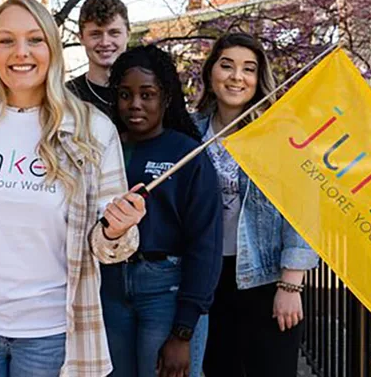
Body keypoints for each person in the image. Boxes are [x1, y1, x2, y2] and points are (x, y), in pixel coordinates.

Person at [0, 0, 146, 377]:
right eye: (7, 41)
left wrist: (117, 228)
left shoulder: (92, 129)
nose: (21, 52)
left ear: (52, 48)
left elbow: (111, 249)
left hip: (50, 334)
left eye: (35, 39)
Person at [194, 32, 318, 377]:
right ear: (210, 72)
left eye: (248, 69)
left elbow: (303, 209)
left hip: (265, 280)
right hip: (208, 278)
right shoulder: (192, 132)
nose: (237, 76)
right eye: (227, 65)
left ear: (258, 78)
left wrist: (291, 285)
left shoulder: (277, 133)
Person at [101, 45, 222, 377]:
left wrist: (183, 331)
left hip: (165, 290)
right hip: (109, 287)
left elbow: (205, 244)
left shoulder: (187, 154)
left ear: (166, 98)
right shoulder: (106, 148)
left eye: (147, 94)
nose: (135, 104)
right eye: (125, 94)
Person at [67, 0, 129, 114]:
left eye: (114, 33)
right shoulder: (66, 97)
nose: (105, 42)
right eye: (95, 34)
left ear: (128, 35)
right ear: (81, 38)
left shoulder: (149, 93)